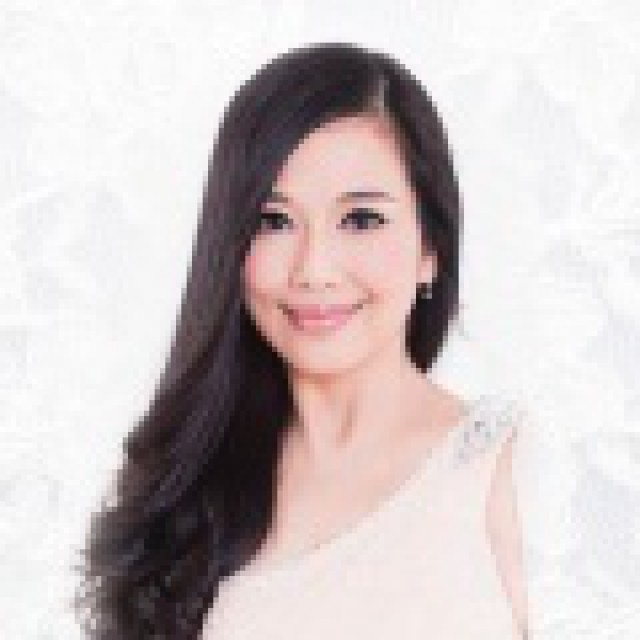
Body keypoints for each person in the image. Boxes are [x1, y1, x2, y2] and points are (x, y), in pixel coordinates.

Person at [72, 42, 530, 639]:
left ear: (431, 248)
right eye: (274, 222)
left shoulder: (511, 473)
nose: (314, 269)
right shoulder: (183, 495)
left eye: (360, 220)